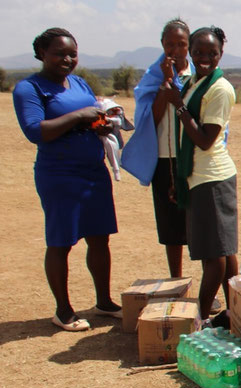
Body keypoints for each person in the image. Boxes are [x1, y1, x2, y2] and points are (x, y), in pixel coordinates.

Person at [13, 28, 123, 331]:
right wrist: (79, 117)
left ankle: (104, 302)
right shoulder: (29, 88)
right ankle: (63, 311)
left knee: (100, 238)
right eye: (59, 53)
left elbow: (89, 117)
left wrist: (100, 124)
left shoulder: (78, 82)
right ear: (41, 54)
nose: (67, 59)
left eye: (72, 53)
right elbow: (36, 131)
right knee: (61, 242)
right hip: (60, 175)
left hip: (93, 172)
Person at [158, 26, 238, 325]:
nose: (205, 58)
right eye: (199, 52)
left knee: (214, 257)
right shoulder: (194, 81)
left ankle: (201, 318)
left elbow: (205, 139)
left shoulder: (220, 89)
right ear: (190, 52)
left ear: (221, 54)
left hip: (212, 178)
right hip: (198, 176)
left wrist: (178, 105)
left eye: (212, 53)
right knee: (226, 253)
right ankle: (235, 314)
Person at [125, 18, 192, 278]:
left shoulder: (198, 75)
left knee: (197, 222)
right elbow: (147, 121)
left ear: (189, 45)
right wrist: (166, 84)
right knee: (170, 224)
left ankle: (204, 283)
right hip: (165, 160)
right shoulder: (153, 77)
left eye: (181, 44)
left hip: (192, 157)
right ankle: (176, 279)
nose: (175, 50)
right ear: (162, 45)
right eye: (170, 45)